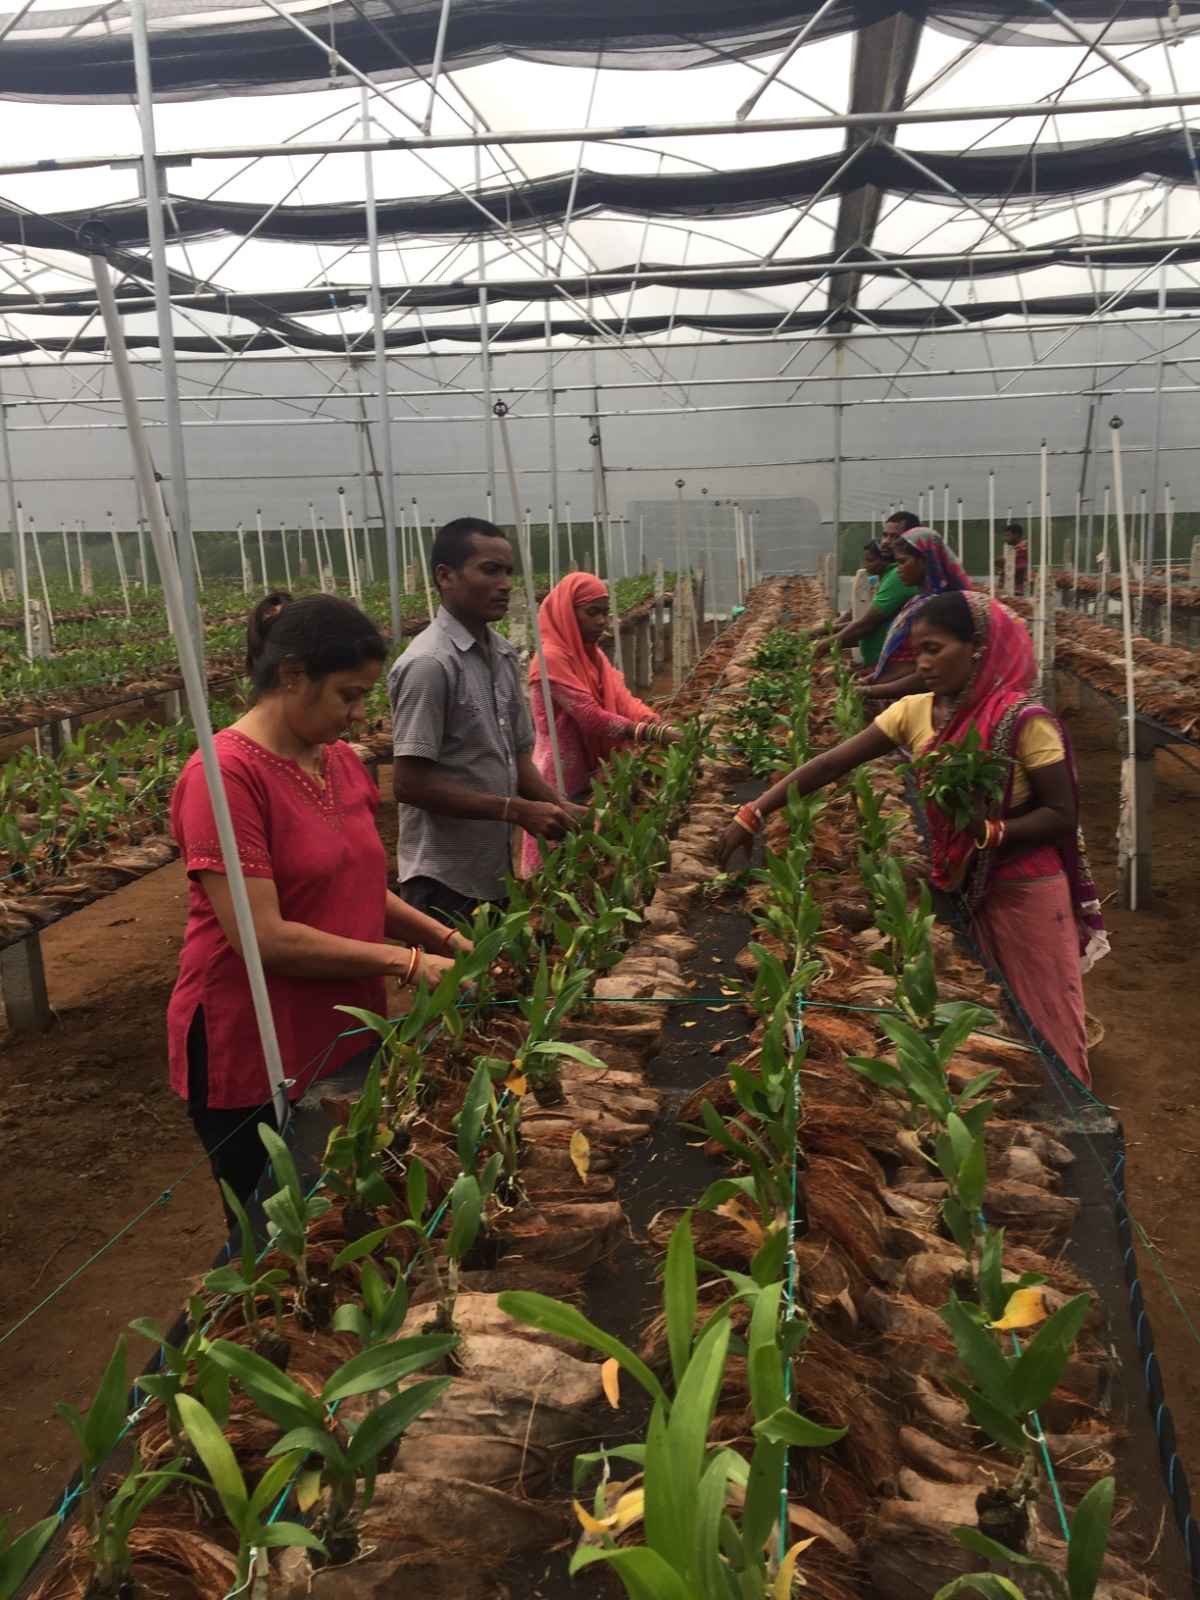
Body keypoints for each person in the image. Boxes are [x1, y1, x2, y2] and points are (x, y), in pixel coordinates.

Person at [717, 591, 1107, 1084]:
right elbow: (832, 763)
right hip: (959, 883)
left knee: (1048, 1017)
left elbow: (1061, 814)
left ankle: (1077, 1112)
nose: (922, 663)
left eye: (934, 649)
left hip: (1025, 889)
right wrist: (753, 811)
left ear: (978, 649)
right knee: (988, 1021)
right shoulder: (916, 711)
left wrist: (988, 831)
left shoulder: (1024, 721)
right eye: (917, 651)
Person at [168, 594, 465, 1218]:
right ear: (292, 676)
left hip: (346, 1020)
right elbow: (265, 937)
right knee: (278, 1228)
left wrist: (444, 939)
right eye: (347, 696)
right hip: (255, 1038)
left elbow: (355, 887)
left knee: (346, 1195)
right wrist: (406, 963)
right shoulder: (222, 779)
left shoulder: (339, 763)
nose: (358, 715)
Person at [389, 516, 586, 923]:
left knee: (497, 983)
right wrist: (515, 811)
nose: (506, 584)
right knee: (458, 984)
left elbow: (513, 759)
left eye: (508, 572)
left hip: (493, 874)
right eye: (490, 570)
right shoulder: (429, 664)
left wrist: (559, 807)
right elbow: (409, 783)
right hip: (442, 881)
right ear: (445, 576)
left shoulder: (502, 655)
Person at [520, 572, 679, 876]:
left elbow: (623, 699)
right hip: (559, 780)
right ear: (568, 612)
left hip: (593, 774)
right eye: (591, 612)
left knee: (590, 866)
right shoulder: (550, 658)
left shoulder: (592, 656)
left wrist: (652, 720)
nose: (601, 621)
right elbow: (591, 716)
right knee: (559, 869)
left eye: (605, 613)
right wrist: (653, 734)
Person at [863, 530, 972, 700]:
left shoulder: (942, 609)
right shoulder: (918, 600)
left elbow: (928, 672)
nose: (898, 570)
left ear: (925, 561)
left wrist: (873, 691)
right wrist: (873, 679)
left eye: (903, 562)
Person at [812, 540, 920, 670]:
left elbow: (866, 624)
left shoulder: (896, 578)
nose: (865, 565)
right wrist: (827, 633)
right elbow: (855, 616)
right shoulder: (880, 579)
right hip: (881, 663)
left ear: (885, 560)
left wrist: (826, 642)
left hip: (890, 664)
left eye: (870, 560)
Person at [1000, 522, 1030, 596]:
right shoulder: (1015, 549)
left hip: (1017, 589)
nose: (1005, 539)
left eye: (1008, 535)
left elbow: (1021, 567)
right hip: (1012, 587)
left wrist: (1003, 564)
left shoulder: (1022, 549)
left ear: (1016, 535)